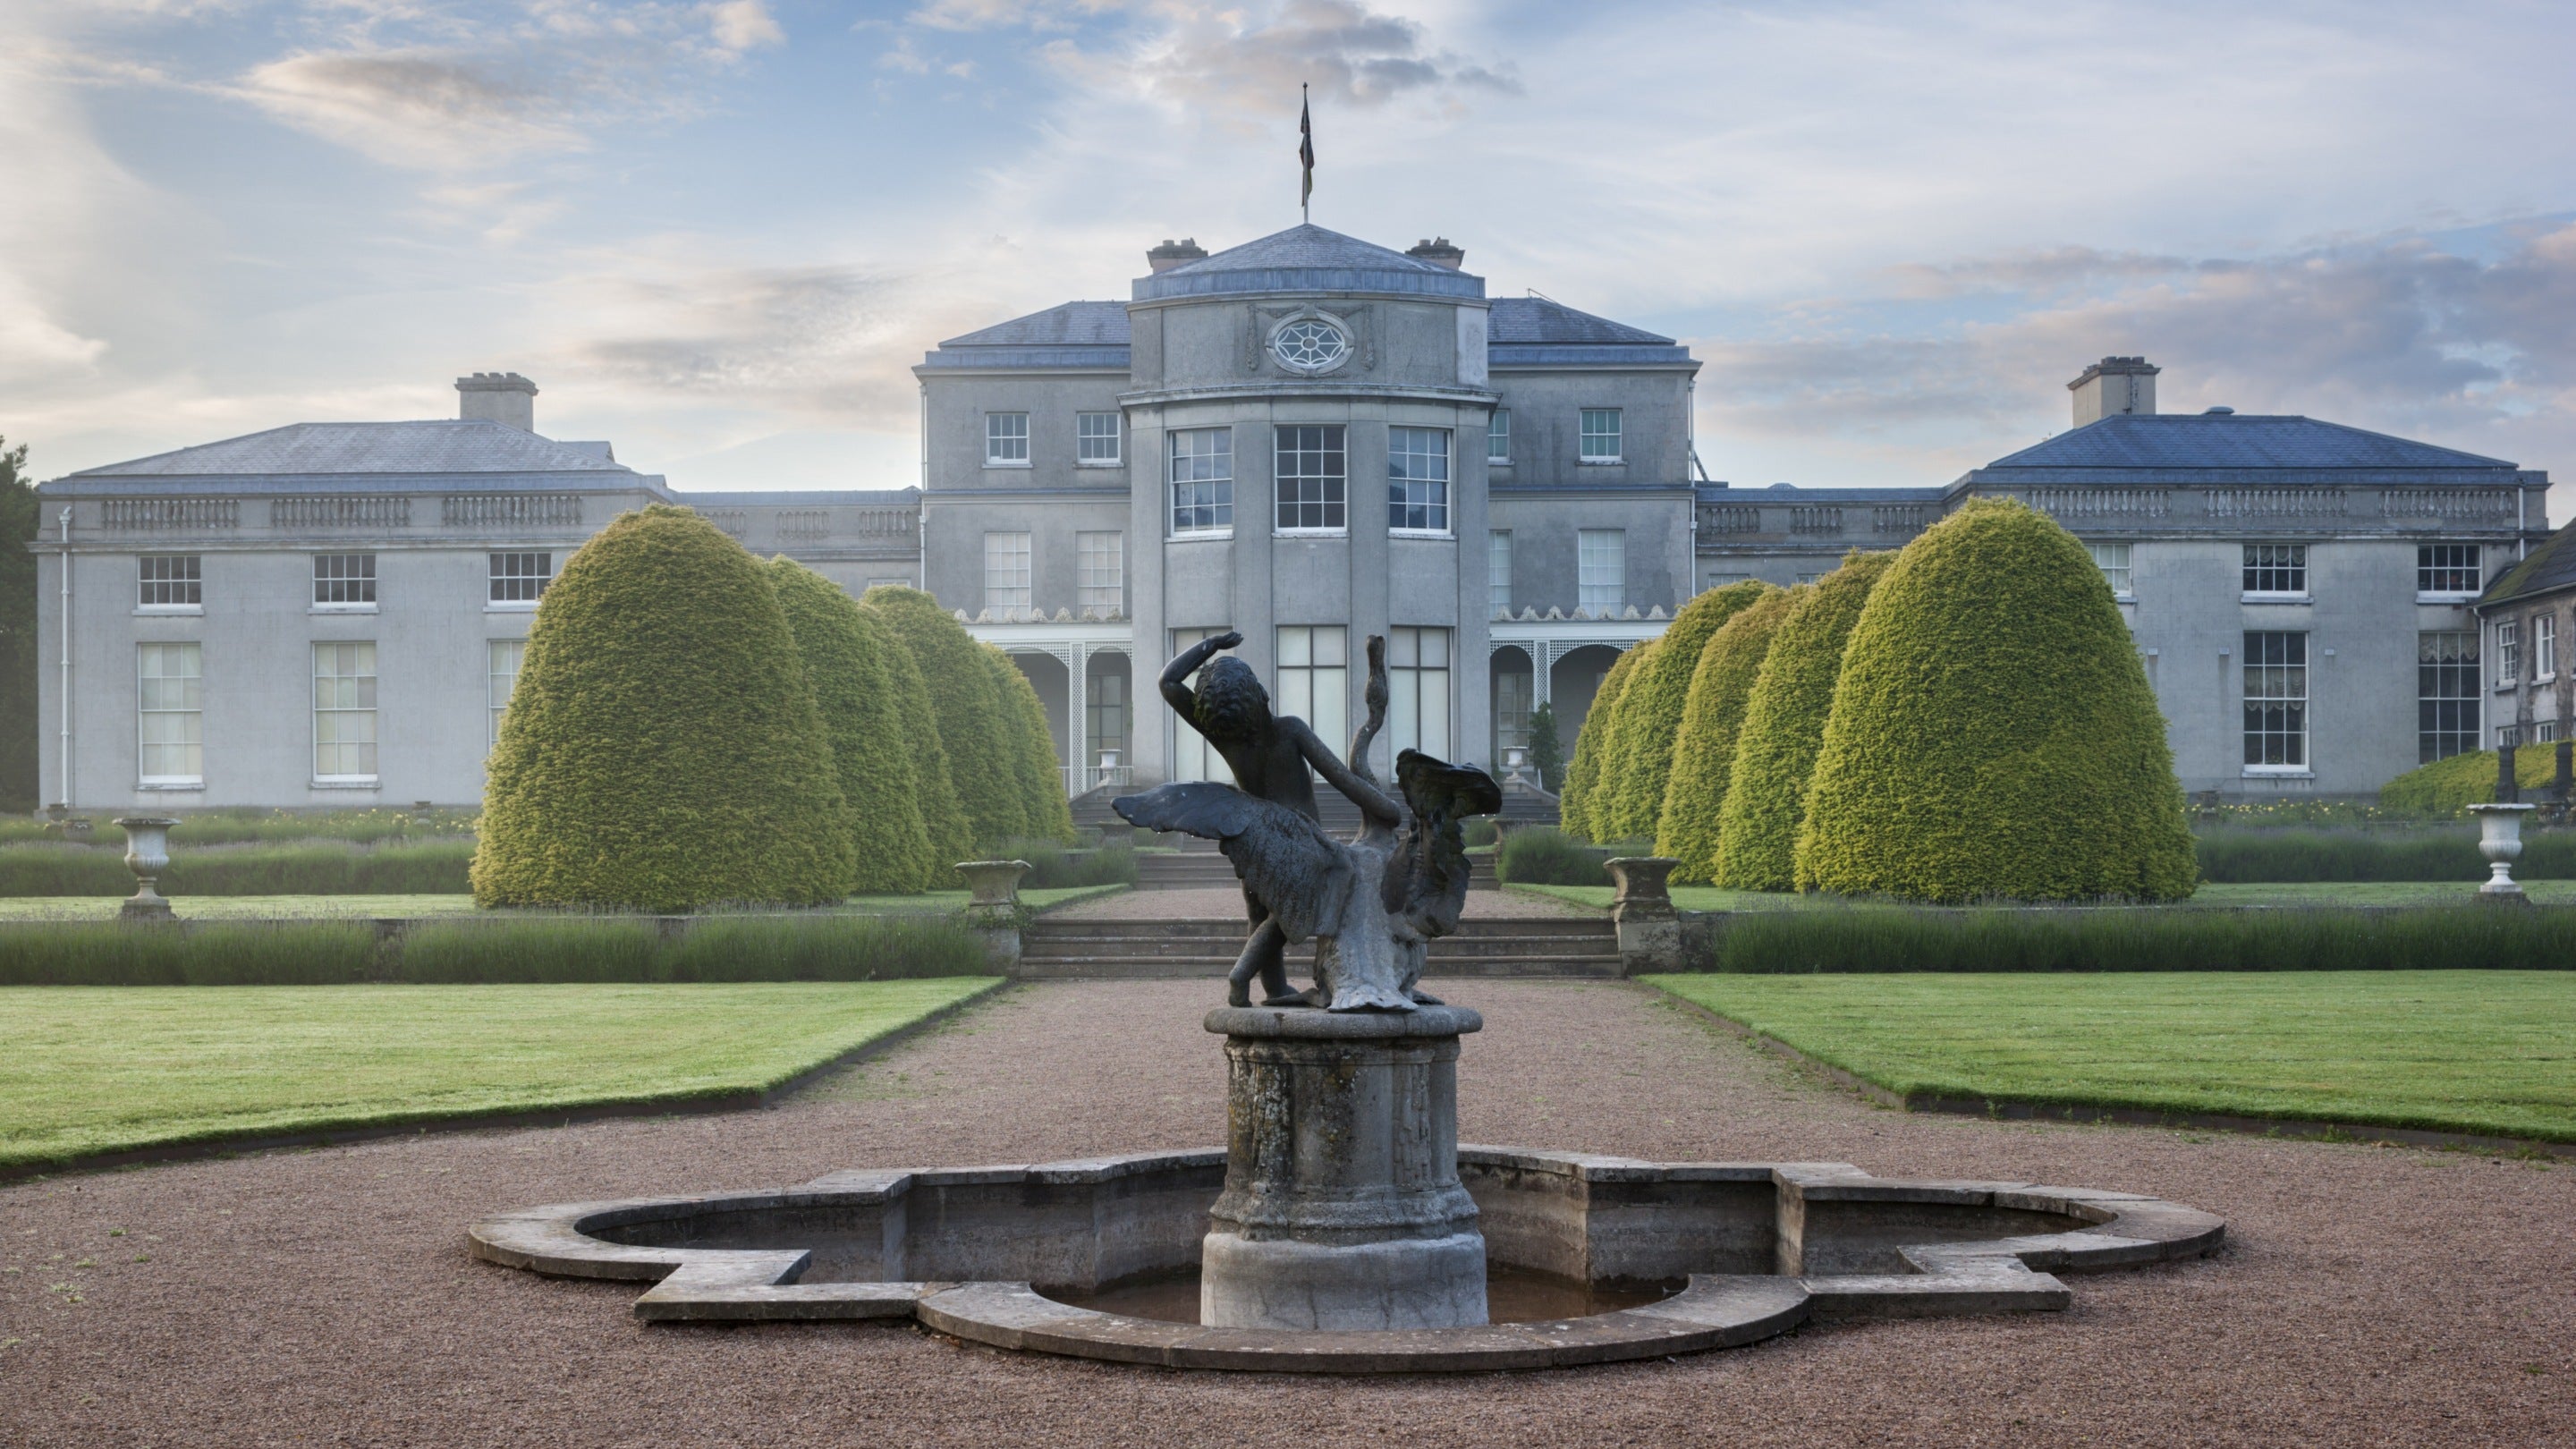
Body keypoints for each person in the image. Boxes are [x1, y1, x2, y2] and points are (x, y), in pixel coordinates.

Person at [1158, 631, 1399, 1004]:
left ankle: (1273, 990)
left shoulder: (1226, 737)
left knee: (1260, 911)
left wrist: (1212, 645)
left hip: (1252, 834)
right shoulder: (1289, 730)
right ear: (1259, 694)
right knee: (1304, 904)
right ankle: (1240, 974)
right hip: (1299, 839)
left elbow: (1168, 681)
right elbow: (1342, 778)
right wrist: (1388, 809)